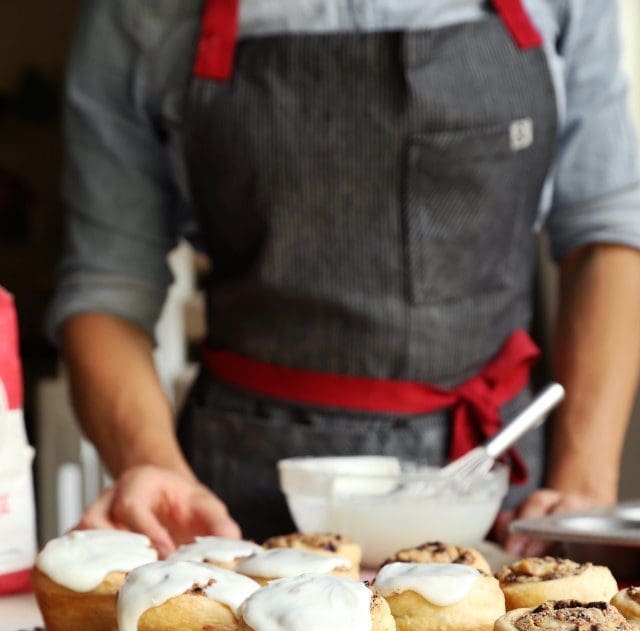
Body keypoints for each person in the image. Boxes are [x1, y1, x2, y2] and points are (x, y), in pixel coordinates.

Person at [48, 0, 640, 557]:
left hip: (497, 494)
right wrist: (154, 467)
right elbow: (105, 290)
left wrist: (582, 485)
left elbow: (607, 232)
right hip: (236, 512)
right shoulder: (139, 15)